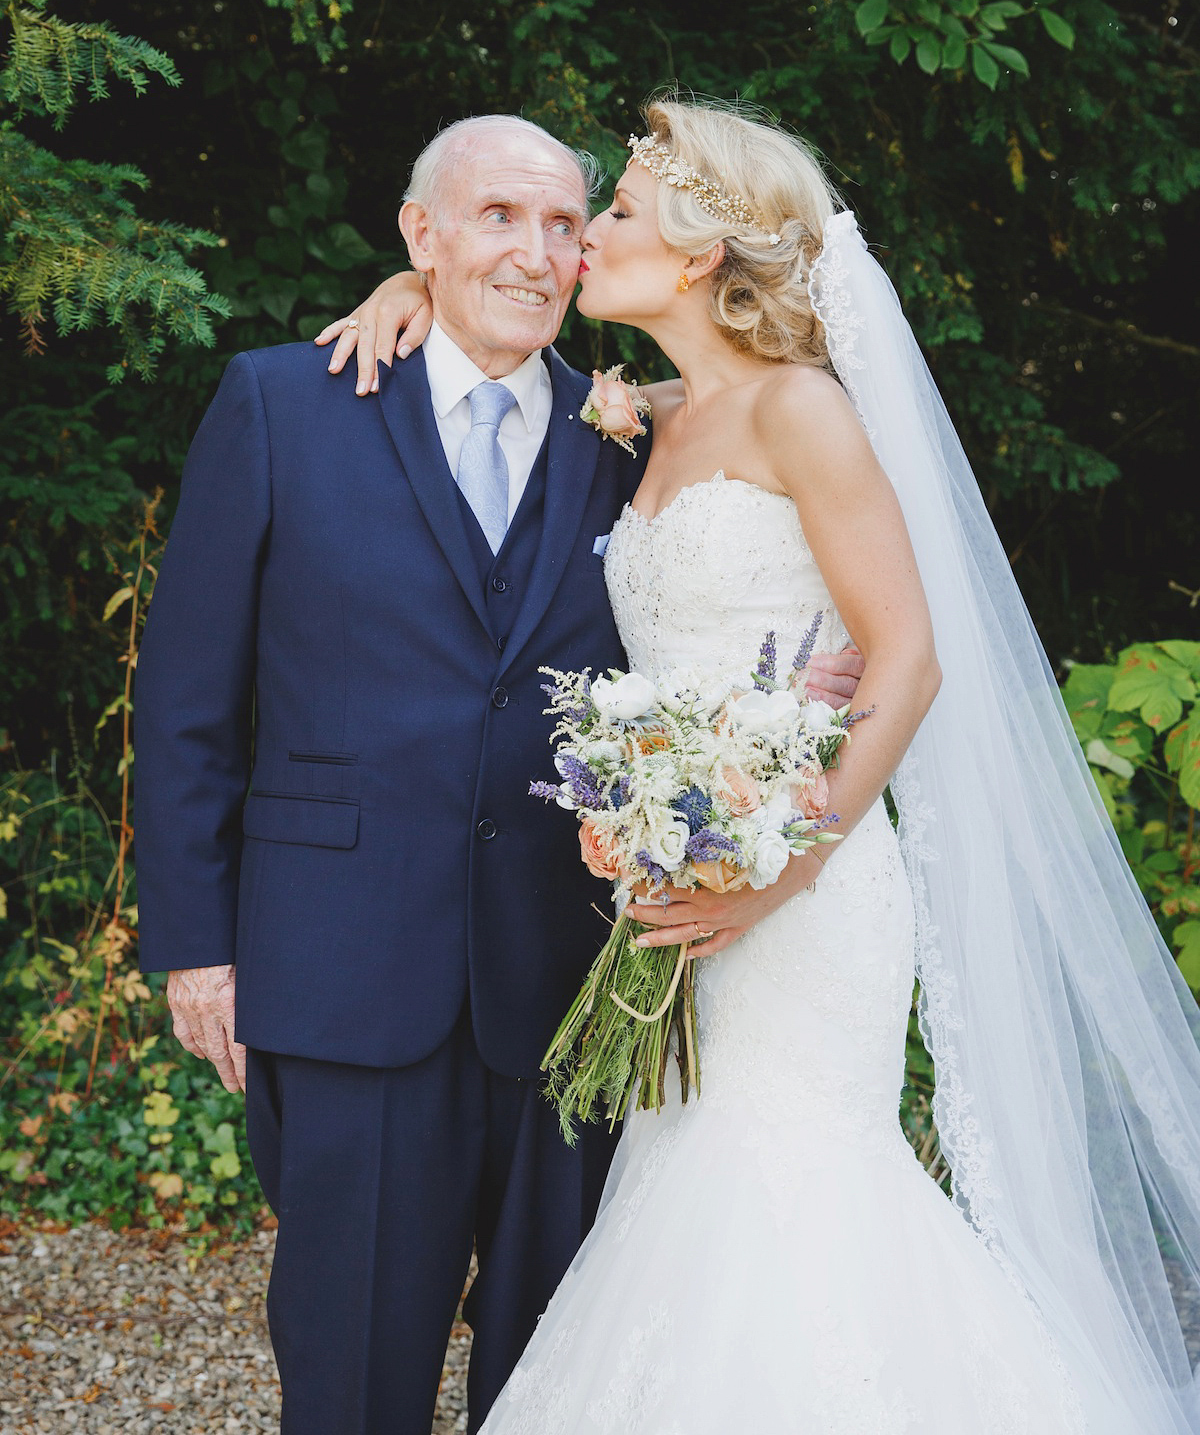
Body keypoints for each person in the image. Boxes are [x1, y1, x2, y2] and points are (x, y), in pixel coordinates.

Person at [327, 96, 1200, 1433]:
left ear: (691, 255)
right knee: (682, 1191)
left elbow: (906, 661)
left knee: (784, 1191)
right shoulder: (635, 417)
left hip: (809, 891)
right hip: (679, 881)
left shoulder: (805, 413)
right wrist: (409, 283)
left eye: (605, 215)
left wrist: (775, 872)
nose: (573, 243)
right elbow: (483, 358)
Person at [133, 112, 863, 1435]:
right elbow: (186, 699)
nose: (535, 253)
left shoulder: (636, 435)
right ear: (421, 236)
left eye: (564, 224)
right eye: (495, 219)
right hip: (344, 974)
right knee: (349, 1370)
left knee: (567, 1378)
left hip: (584, 983)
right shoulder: (281, 402)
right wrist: (196, 947)